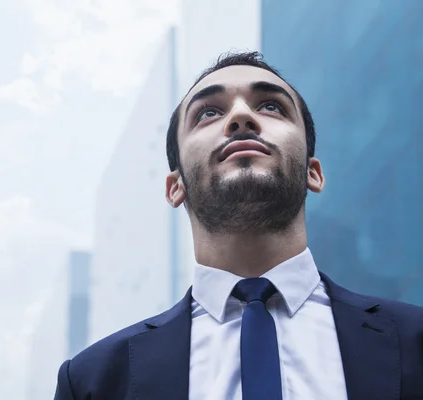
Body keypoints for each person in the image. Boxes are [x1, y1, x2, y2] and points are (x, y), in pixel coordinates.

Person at [53, 51, 423, 400]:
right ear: (175, 186)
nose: (242, 117)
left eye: (271, 106)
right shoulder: (92, 381)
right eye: (208, 113)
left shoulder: (415, 341)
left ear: (314, 172)